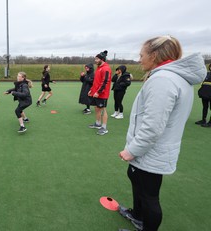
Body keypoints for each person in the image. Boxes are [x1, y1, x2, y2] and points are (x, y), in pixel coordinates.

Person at [118, 36, 206, 231]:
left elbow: (153, 126)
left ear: (154, 55)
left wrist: (132, 150)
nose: (139, 59)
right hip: (155, 149)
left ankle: (145, 224)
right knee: (137, 182)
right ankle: (137, 215)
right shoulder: (171, 78)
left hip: (151, 150)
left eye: (142, 55)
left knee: (150, 196)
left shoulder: (163, 80)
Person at [88, 50, 112, 135]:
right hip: (96, 93)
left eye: (97, 59)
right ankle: (98, 124)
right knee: (97, 108)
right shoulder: (99, 68)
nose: (95, 60)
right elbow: (96, 81)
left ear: (102, 59)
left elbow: (105, 81)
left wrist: (98, 92)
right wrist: (92, 89)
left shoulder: (106, 68)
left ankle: (104, 128)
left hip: (102, 94)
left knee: (103, 110)